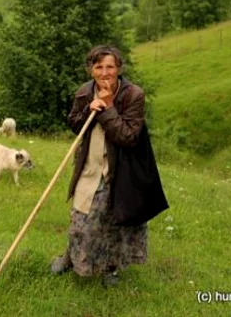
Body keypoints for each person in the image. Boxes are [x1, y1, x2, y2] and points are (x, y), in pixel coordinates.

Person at [51, 44, 169, 286]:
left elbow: (127, 136)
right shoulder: (84, 92)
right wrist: (87, 110)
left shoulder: (133, 95)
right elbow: (74, 124)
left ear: (119, 69)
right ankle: (71, 258)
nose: (105, 73)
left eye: (110, 67)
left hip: (123, 170)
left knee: (116, 221)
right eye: (99, 67)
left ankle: (111, 268)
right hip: (90, 167)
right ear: (90, 70)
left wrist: (108, 108)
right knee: (81, 220)